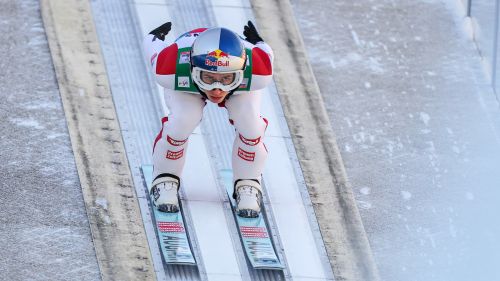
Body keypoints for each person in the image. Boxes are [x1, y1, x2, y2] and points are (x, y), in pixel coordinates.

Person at [143, 21, 274, 218]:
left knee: (251, 125)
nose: (217, 88)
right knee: (182, 121)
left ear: (242, 70)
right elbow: (156, 56)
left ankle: (249, 181)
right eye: (208, 77)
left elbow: (266, 57)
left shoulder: (259, 70)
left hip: (212, 84)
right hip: (192, 84)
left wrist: (153, 38)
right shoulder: (171, 66)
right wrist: (259, 42)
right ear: (192, 67)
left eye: (227, 79)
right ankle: (165, 177)